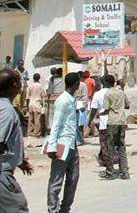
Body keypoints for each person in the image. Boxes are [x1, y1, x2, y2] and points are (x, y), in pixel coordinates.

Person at [0, 69, 34, 212]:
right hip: (1, 176)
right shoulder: (6, 111)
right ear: (14, 85)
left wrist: (19, 161)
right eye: (20, 81)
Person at [46, 72, 81, 213]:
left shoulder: (71, 99)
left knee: (73, 178)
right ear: (75, 84)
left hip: (72, 144)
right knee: (57, 179)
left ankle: (65, 209)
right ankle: (52, 209)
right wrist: (51, 146)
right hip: (62, 144)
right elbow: (56, 125)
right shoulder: (63, 101)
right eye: (78, 82)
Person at [100, 74, 130, 180]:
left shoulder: (107, 94)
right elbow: (127, 105)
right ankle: (124, 172)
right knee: (122, 147)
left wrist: (102, 114)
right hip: (122, 121)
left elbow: (107, 109)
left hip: (112, 122)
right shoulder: (121, 93)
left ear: (106, 83)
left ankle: (110, 171)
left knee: (110, 147)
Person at [89, 75, 112, 167]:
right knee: (115, 143)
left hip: (104, 122)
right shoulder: (117, 92)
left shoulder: (98, 94)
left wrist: (90, 120)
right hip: (117, 122)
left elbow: (94, 109)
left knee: (104, 143)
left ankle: (107, 164)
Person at [27, 73, 47, 138]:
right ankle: (37, 134)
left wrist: (27, 105)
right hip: (37, 104)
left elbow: (27, 97)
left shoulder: (30, 86)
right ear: (39, 78)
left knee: (31, 120)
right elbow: (43, 95)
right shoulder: (40, 86)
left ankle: (30, 133)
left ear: (33, 78)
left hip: (31, 104)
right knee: (37, 120)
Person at [74, 73, 89, 145]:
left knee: (79, 124)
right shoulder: (73, 85)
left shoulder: (83, 85)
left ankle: (79, 139)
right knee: (76, 123)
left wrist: (84, 105)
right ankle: (78, 138)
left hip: (80, 106)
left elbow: (85, 96)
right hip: (73, 105)